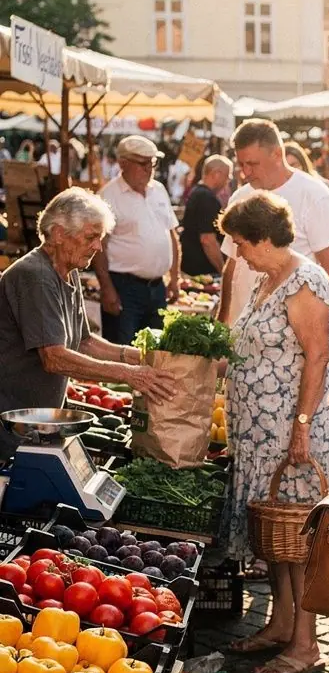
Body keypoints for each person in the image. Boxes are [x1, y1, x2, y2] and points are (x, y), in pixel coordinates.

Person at [219, 193, 329, 673]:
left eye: (243, 243)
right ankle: (281, 622)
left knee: (300, 541)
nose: (239, 253)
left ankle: (306, 644)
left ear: (265, 238)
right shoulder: (268, 281)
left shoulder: (305, 282)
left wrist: (302, 428)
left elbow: (318, 357)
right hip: (261, 438)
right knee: (275, 538)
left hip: (292, 436)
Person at [0, 189, 175, 457]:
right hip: (11, 421)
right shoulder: (35, 276)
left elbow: (84, 341)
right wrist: (129, 374)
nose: (98, 247)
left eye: (101, 238)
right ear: (58, 234)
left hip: (36, 419)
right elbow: (54, 358)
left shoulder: (66, 272)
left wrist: (137, 357)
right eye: (91, 237)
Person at [218, 121, 329, 326]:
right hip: (240, 326)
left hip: (286, 333)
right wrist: (222, 321)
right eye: (241, 164)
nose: (245, 172)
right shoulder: (240, 196)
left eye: (253, 164)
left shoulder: (315, 196)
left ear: (277, 154)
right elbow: (232, 265)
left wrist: (315, 329)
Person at [93, 135, 181, 345]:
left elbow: (171, 235)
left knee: (155, 352)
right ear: (123, 163)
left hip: (157, 287)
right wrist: (107, 288)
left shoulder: (158, 189)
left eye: (152, 163)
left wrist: (175, 278)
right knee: (122, 352)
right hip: (124, 287)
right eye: (143, 163)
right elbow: (98, 247)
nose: (149, 169)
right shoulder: (108, 196)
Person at [180, 156, 233, 276]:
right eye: (227, 176)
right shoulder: (206, 198)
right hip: (202, 270)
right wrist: (223, 271)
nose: (228, 181)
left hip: (193, 267)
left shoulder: (197, 192)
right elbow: (208, 240)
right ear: (217, 174)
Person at [283, 140, 329, 216]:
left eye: (293, 165)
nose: (290, 170)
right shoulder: (282, 193)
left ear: (303, 164)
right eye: (286, 167)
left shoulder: (325, 186)